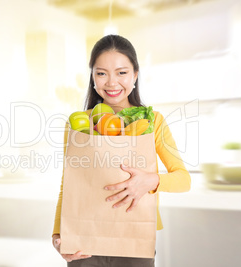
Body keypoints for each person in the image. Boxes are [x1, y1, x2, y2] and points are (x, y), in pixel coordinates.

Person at [52, 34, 191, 267]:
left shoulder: (152, 121)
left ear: (135, 75)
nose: (111, 82)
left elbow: (183, 179)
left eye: (122, 72)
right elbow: (69, 184)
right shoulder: (78, 123)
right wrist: (57, 235)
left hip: (134, 242)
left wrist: (152, 180)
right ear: (93, 78)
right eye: (101, 73)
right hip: (83, 240)